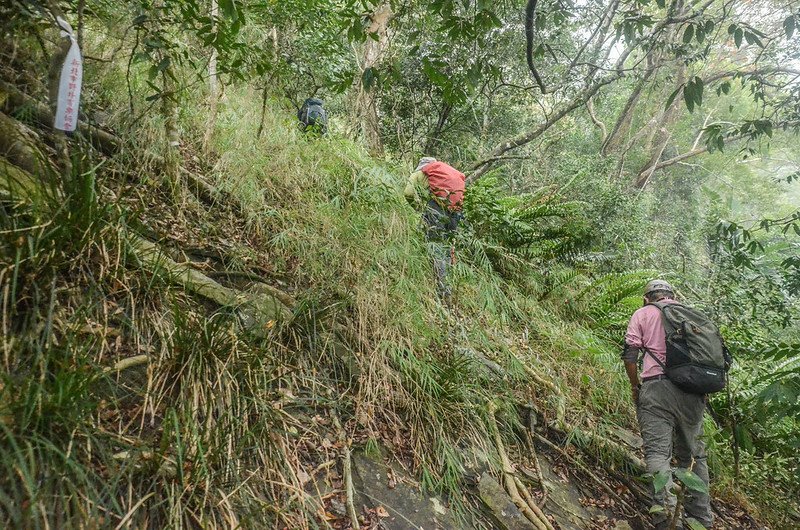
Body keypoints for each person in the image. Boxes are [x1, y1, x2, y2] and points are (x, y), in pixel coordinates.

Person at [621, 280, 713, 529]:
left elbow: (631, 354)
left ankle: (666, 518)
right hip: (693, 392)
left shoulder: (643, 313)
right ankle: (701, 520)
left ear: (646, 298)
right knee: (695, 456)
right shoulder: (689, 315)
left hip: (657, 388)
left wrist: (634, 386)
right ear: (673, 296)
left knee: (658, 453)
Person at [404, 157, 465, 302]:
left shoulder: (421, 172)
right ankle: (449, 284)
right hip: (456, 212)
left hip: (437, 208)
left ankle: (442, 291)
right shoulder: (446, 172)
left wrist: (417, 208)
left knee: (436, 247)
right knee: (447, 248)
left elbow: (408, 193)